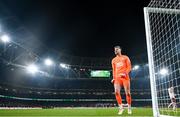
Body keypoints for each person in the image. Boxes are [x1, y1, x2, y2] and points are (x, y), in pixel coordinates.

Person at [111, 46, 132, 115]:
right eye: (115, 50)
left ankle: (129, 107)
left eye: (117, 49)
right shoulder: (113, 60)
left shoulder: (125, 57)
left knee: (128, 93)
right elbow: (114, 70)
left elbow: (129, 67)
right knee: (116, 92)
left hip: (125, 77)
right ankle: (121, 107)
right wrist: (113, 77)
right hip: (117, 78)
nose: (115, 51)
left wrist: (125, 73)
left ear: (120, 50)